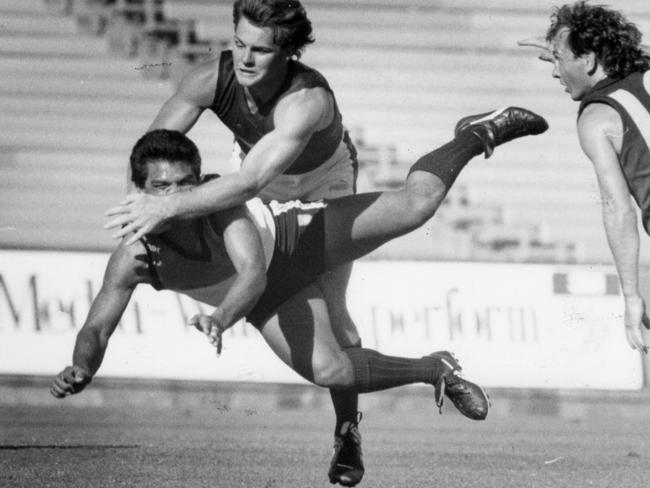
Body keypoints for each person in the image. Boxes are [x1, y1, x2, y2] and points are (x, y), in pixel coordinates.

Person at [52, 107, 546, 483]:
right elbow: (97, 326)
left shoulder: (217, 208)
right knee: (332, 367)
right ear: (136, 189)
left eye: (185, 186)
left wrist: (222, 317)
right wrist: (82, 367)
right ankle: (434, 370)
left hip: (295, 239)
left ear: (199, 183)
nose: (175, 198)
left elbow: (250, 273)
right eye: (160, 188)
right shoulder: (135, 256)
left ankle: (475, 133)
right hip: (271, 295)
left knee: (416, 207)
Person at [110, 2, 368, 482]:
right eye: (239, 44)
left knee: (334, 310)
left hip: (319, 178)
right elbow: (149, 149)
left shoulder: (305, 98)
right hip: (261, 171)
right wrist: (136, 212)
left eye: (262, 50)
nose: (246, 60)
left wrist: (165, 208)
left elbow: (248, 183)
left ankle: (348, 430)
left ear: (288, 52)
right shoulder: (210, 78)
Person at [518, 1, 650, 354]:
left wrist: (632, 295)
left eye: (559, 58)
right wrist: (573, 49)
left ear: (589, 60)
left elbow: (618, 209)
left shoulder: (597, 117)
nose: (554, 71)